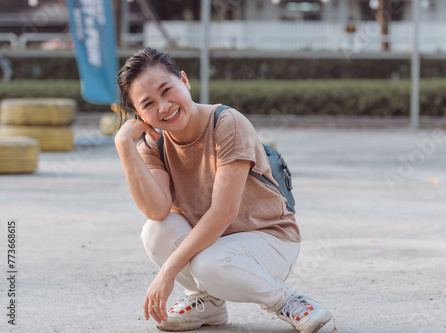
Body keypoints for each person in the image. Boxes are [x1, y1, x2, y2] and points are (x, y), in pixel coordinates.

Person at [114, 47, 332, 333]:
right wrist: (124, 145)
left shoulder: (226, 123)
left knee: (208, 264)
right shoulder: (153, 145)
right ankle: (209, 303)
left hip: (268, 238)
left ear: (184, 80)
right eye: (149, 104)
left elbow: (223, 213)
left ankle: (287, 301)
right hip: (213, 245)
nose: (164, 107)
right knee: (155, 231)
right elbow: (157, 209)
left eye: (167, 90)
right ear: (139, 115)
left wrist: (167, 271)